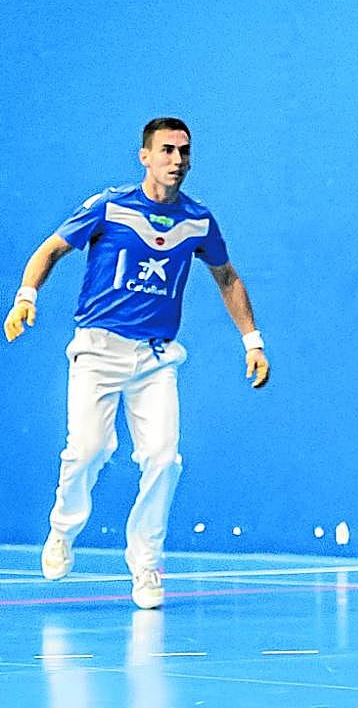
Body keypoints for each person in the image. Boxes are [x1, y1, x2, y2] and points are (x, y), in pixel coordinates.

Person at [4, 117, 270, 610]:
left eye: (184, 152)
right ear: (145, 156)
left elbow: (227, 277)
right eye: (167, 150)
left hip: (155, 358)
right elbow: (53, 248)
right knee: (87, 450)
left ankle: (146, 565)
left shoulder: (199, 220)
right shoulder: (111, 206)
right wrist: (26, 297)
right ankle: (62, 530)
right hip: (97, 350)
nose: (177, 160)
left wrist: (252, 341)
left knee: (163, 459)